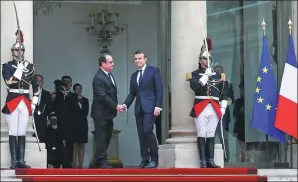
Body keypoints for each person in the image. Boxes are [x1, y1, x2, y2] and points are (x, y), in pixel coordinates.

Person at [186, 37, 228, 168]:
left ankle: (210, 160)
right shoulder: (194, 74)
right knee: (202, 133)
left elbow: (224, 92)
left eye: (208, 58)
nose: (206, 61)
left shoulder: (218, 75)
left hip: (215, 106)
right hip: (201, 106)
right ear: (200, 61)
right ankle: (202, 161)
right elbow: (195, 87)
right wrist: (205, 76)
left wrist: (224, 106)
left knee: (211, 133)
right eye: (204, 58)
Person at [1, 30, 41, 169]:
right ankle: (13, 161)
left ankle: (21, 161)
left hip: (25, 100)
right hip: (13, 100)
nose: (19, 52)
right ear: (12, 52)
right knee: (13, 131)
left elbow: (36, 85)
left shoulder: (30, 66)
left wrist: (35, 101)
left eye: (21, 50)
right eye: (16, 50)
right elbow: (9, 82)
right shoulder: (7, 66)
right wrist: (19, 69)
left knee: (22, 131)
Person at [121, 50, 163, 168]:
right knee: (141, 134)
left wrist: (158, 106)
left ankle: (154, 159)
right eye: (135, 59)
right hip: (139, 108)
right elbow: (132, 93)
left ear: (145, 59)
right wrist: (125, 105)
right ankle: (145, 159)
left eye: (140, 58)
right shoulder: (134, 75)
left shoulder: (153, 71)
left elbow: (159, 89)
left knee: (147, 131)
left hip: (151, 107)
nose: (137, 61)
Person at [89, 53, 123, 169]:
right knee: (102, 137)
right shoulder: (98, 78)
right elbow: (102, 96)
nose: (113, 64)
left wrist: (115, 107)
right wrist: (116, 106)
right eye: (110, 62)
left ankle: (95, 162)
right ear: (102, 64)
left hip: (108, 113)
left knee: (107, 137)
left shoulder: (109, 75)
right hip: (100, 113)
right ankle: (102, 162)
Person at [52, 76, 78, 168]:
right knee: (58, 146)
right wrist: (53, 98)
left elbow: (76, 108)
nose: (66, 84)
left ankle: (68, 165)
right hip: (58, 125)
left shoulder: (74, 96)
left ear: (71, 84)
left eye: (68, 83)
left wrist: (67, 95)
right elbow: (52, 108)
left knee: (69, 147)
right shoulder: (57, 95)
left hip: (70, 126)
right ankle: (57, 164)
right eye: (64, 82)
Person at [214, 66, 234, 162]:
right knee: (211, 137)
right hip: (212, 113)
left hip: (223, 114)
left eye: (219, 73)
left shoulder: (228, 85)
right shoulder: (211, 84)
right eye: (216, 72)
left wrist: (223, 103)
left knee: (224, 138)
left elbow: (231, 100)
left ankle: (226, 158)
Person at [72, 83, 89, 169]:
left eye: (80, 88)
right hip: (74, 125)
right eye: (77, 89)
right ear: (74, 90)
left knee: (82, 145)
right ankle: (74, 165)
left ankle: (81, 166)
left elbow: (86, 113)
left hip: (83, 125)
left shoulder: (86, 100)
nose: (78, 90)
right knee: (75, 145)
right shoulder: (71, 100)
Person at [33, 74, 53, 143]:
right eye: (37, 81)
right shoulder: (29, 93)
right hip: (31, 122)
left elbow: (50, 108)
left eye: (40, 81)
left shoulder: (47, 94)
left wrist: (43, 114)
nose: (38, 83)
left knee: (42, 141)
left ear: (43, 82)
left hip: (42, 122)